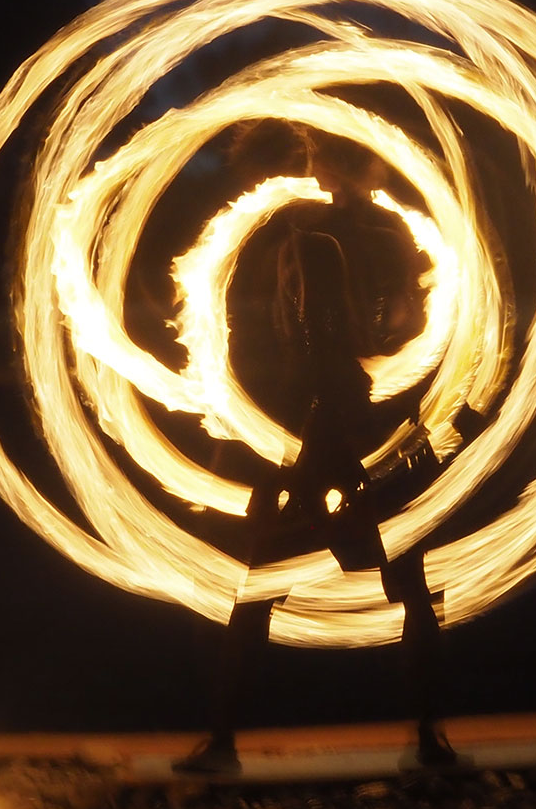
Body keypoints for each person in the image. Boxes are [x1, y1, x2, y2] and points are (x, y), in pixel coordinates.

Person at [176, 133, 458, 774]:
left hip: (330, 436)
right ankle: (429, 738)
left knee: (259, 593)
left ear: (325, 166)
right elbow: (394, 332)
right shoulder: (378, 242)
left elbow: (320, 344)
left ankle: (223, 741)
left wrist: (312, 455)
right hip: (372, 432)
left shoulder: (313, 244)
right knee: (410, 590)